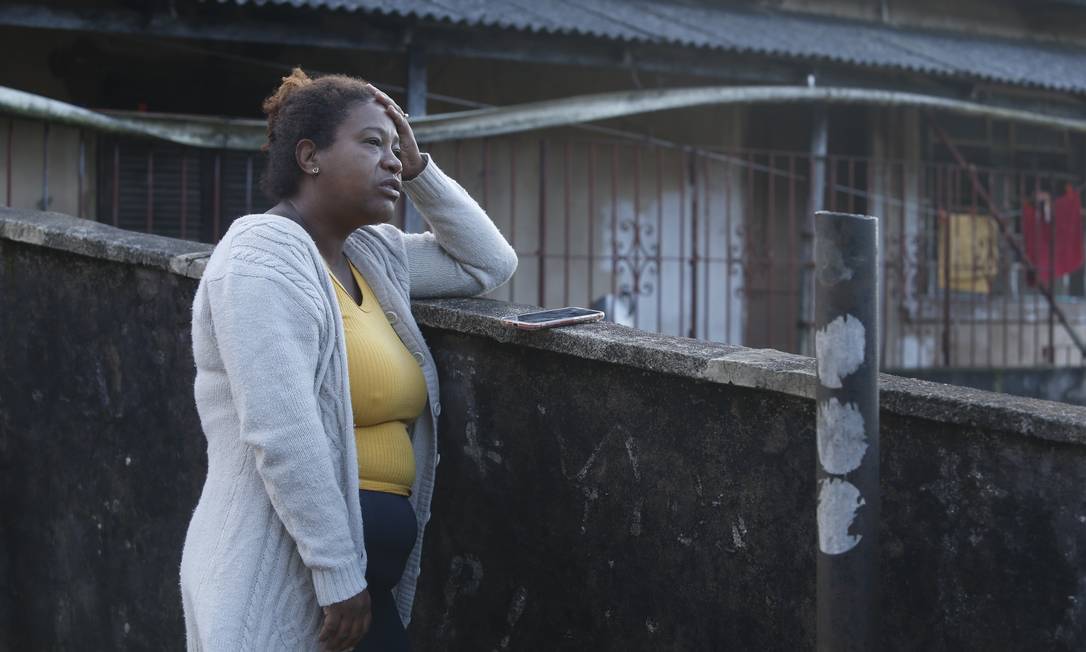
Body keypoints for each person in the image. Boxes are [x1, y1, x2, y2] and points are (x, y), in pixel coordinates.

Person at [179, 68, 518, 651]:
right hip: (290, 584)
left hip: (362, 589)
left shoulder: (372, 255)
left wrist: (420, 171)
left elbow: (487, 264)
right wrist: (338, 576)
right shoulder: (261, 258)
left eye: (395, 148)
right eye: (371, 144)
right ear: (309, 156)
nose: (390, 161)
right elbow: (280, 430)